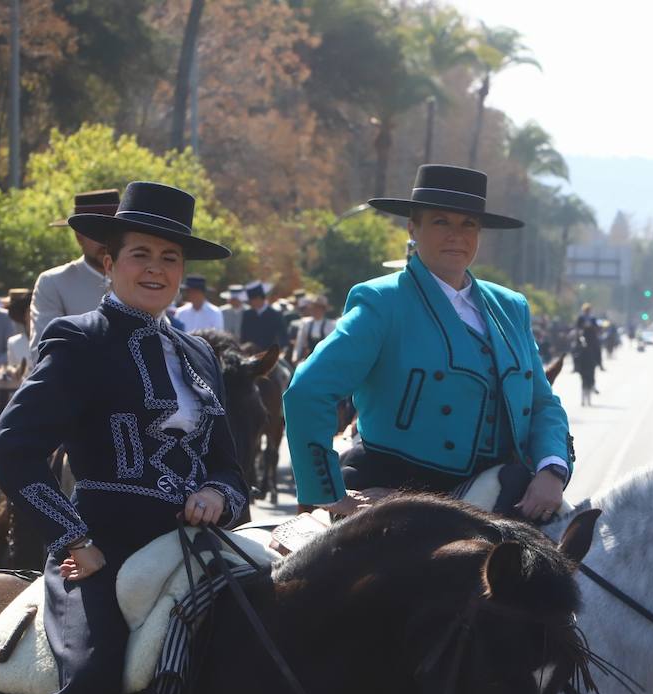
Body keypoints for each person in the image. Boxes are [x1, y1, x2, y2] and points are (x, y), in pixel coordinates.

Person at [0, 181, 246, 694]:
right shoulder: (78, 338)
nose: (157, 268)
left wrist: (220, 498)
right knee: (93, 675)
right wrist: (71, 537)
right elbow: (13, 452)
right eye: (141, 254)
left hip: (197, 545)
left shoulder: (199, 355)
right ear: (111, 261)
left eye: (170, 256)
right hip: (86, 543)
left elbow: (234, 472)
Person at [284, 164, 572, 524]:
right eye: (440, 222)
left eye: (468, 224)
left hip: (501, 490)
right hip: (392, 492)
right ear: (412, 228)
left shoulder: (511, 307)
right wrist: (329, 493)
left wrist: (551, 470)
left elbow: (542, 403)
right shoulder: (381, 302)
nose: (457, 235)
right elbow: (307, 391)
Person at [28, 188, 118, 354]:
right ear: (79, 236)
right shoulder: (53, 282)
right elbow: (43, 353)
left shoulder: (136, 279)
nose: (105, 240)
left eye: (112, 231)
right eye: (95, 232)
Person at [239, 280, 285, 350]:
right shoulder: (247, 314)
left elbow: (281, 336)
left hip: (270, 355)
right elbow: (243, 336)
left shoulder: (275, 314)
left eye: (251, 300)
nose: (250, 303)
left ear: (259, 298)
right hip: (251, 355)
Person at [292, 293, 336, 364]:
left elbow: (332, 345)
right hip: (308, 358)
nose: (316, 310)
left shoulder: (331, 325)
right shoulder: (305, 323)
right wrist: (295, 357)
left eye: (319, 308)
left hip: (325, 358)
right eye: (314, 307)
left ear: (324, 310)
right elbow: (300, 342)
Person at [4, 288, 33, 368]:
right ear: (24, 316)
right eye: (30, 311)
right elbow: (13, 373)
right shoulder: (14, 343)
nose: (34, 316)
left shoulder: (51, 340)